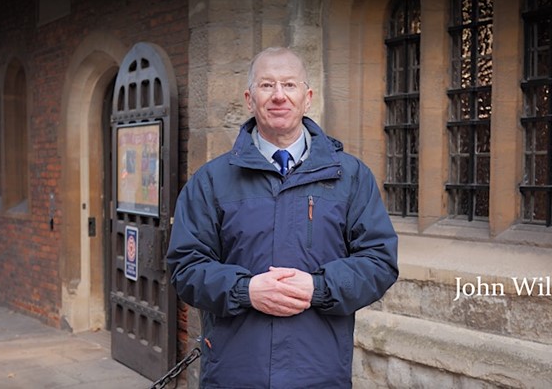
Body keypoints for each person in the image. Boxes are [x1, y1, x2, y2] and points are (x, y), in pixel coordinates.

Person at [166, 46, 398, 388]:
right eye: (266, 86)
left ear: (307, 97)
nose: (278, 96)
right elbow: (185, 268)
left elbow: (379, 261)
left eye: (289, 85)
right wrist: (245, 290)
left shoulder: (350, 176)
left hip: (319, 372)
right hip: (235, 372)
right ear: (249, 98)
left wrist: (318, 287)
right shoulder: (211, 181)